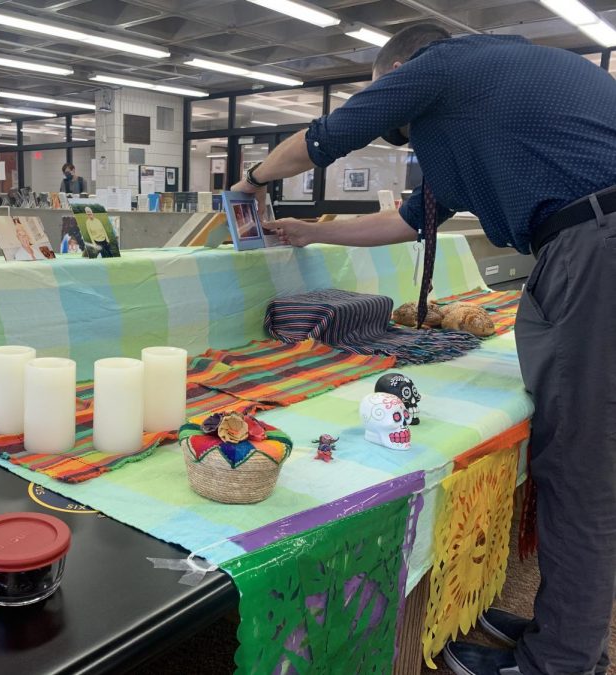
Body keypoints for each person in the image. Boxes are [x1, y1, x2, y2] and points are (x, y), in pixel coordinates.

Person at [231, 24, 616, 675]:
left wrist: (252, 181)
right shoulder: (484, 114)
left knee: (579, 464)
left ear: (400, 69)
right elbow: (408, 221)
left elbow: (325, 139)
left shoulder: (443, 64)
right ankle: (565, 629)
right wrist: (302, 231)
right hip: (582, 243)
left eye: (386, 94)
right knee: (576, 452)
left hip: (595, 246)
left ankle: (562, 661)